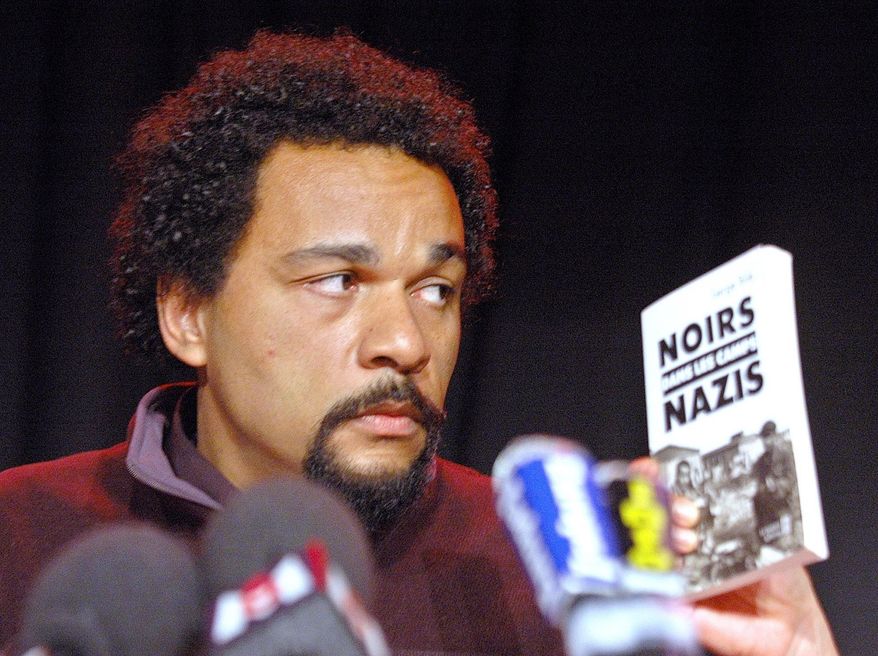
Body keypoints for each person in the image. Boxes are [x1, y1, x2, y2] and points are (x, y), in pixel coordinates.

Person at [0, 31, 838, 655]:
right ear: (188, 314)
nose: (405, 341)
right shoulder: (18, 535)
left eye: (436, 290)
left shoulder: (548, 570)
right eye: (338, 282)